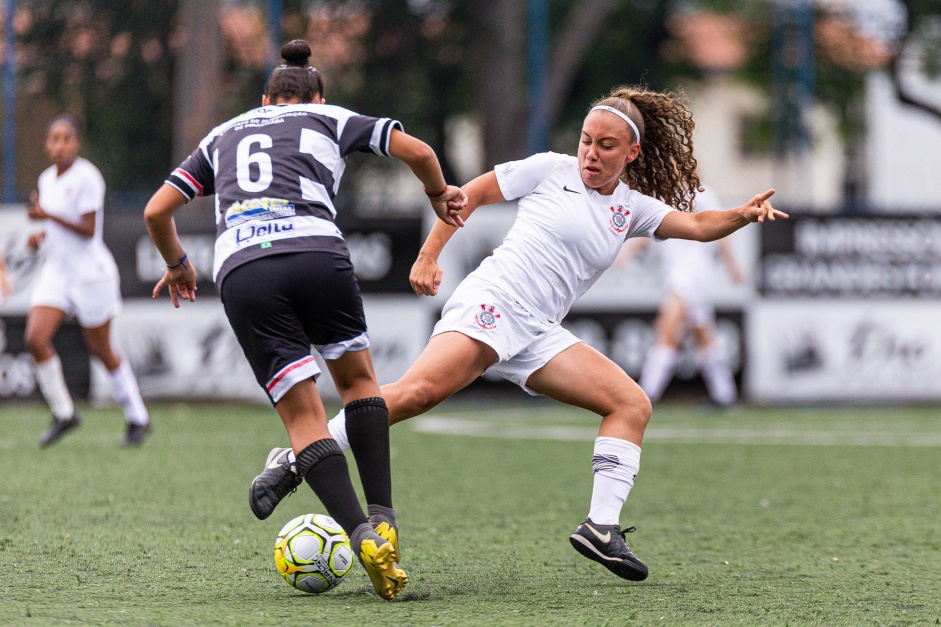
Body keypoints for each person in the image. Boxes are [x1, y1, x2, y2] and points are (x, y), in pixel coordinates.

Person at [252, 84, 786, 582]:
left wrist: (740, 214)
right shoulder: (549, 170)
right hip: (494, 303)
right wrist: (428, 254)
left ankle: (601, 527)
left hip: (538, 331)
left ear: (632, 154)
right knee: (416, 395)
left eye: (605, 146)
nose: (590, 153)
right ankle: (298, 455)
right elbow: (469, 196)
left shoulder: (631, 208)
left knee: (631, 404)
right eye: (585, 140)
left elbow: (695, 226)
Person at [143, 40, 465, 600]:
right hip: (318, 253)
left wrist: (177, 264)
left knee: (303, 418)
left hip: (245, 268)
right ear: (319, 95)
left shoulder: (223, 134)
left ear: (263, 98)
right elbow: (417, 151)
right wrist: (439, 195)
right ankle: (384, 518)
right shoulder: (330, 117)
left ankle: (359, 533)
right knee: (361, 385)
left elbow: (156, 210)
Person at [24, 113, 151, 448]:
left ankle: (138, 416)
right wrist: (41, 235)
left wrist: (47, 216)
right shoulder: (46, 178)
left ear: (77, 143)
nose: (59, 145)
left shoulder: (88, 177)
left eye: (66, 138)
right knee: (35, 338)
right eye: (54, 138)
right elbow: (58, 229)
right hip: (57, 272)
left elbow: (87, 229)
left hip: (90, 275)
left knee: (100, 348)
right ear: (47, 143)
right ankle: (65, 412)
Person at [615, 186, 744, 406]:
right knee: (703, 337)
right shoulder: (667, 197)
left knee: (665, 332)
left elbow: (722, 231)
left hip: (689, 277)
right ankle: (724, 395)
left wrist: (733, 268)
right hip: (690, 277)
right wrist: (626, 253)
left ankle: (645, 395)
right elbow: (649, 229)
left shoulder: (703, 196)